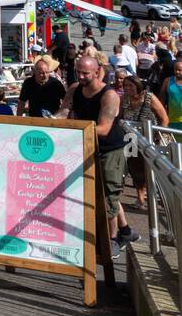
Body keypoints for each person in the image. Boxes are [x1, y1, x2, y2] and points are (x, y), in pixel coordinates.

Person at [58, 55, 136, 256]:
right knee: (100, 192)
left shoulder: (109, 95)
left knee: (108, 194)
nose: (81, 76)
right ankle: (126, 230)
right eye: (78, 72)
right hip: (87, 145)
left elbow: (103, 128)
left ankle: (112, 240)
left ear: (96, 71)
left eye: (85, 73)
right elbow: (64, 111)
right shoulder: (75, 89)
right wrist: (49, 122)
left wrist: (72, 128)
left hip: (110, 149)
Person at [120, 75, 167, 208]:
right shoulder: (124, 99)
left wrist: (159, 134)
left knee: (153, 168)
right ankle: (140, 198)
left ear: (138, 85)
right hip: (130, 138)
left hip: (150, 137)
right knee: (135, 169)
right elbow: (118, 117)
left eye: (130, 85)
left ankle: (159, 197)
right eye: (125, 86)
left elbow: (164, 118)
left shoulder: (149, 97)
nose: (127, 88)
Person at [161, 58, 182, 130]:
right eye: (175, 70)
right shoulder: (168, 81)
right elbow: (162, 100)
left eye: (180, 70)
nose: (177, 72)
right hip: (172, 118)